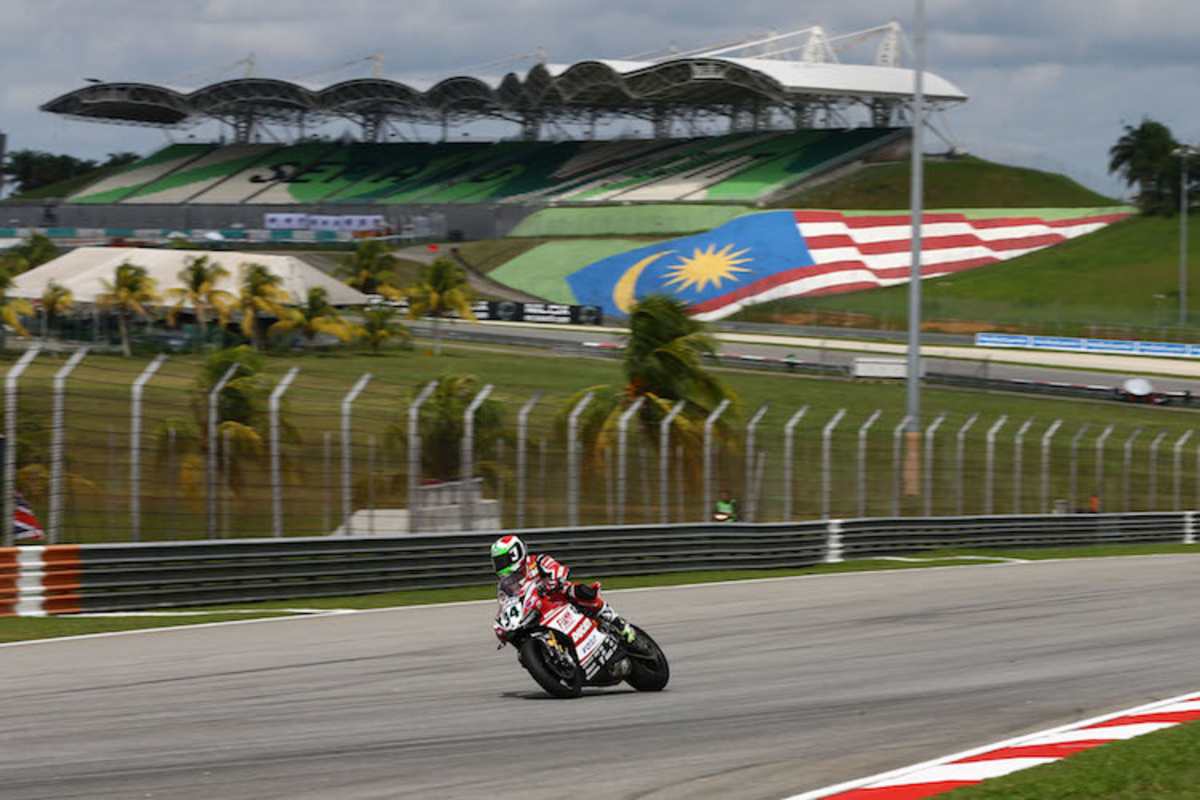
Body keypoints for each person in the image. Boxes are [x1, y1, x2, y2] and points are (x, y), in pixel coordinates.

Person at [490, 534, 635, 644]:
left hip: (557, 598)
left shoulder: (537, 561)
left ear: (515, 554)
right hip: (536, 613)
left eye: (501, 561)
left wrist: (554, 581)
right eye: (497, 562)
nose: (499, 566)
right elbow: (505, 605)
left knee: (581, 591)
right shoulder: (505, 585)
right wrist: (501, 626)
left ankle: (618, 623)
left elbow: (557, 569)